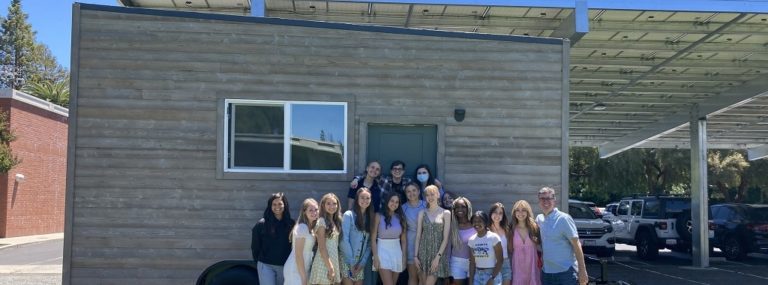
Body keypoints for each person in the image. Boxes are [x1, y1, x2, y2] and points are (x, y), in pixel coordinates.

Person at [535, 187, 588, 285]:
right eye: (542, 199)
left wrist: (582, 271)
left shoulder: (564, 219)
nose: (546, 202)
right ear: (539, 201)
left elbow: (577, 245)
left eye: (549, 198)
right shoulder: (539, 219)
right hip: (546, 274)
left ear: (554, 200)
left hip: (565, 273)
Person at [252, 193, 295, 285]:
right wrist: (260, 262)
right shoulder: (261, 225)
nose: (277, 207)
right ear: (270, 206)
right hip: (266, 265)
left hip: (285, 266)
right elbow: (255, 247)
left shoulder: (291, 224)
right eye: (274, 204)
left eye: (280, 204)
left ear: (285, 205)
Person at [415, 185, 451, 285]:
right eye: (427, 195)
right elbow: (418, 236)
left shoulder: (446, 213)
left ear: (438, 194)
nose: (430, 197)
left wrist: (437, 258)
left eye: (432, 194)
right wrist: (415, 256)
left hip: (437, 254)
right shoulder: (422, 213)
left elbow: (445, 239)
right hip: (423, 253)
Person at [372, 192, 407, 285]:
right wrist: (375, 256)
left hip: (397, 252)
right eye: (392, 201)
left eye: (397, 202)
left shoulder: (401, 217)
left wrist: (404, 257)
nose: (394, 204)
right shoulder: (378, 216)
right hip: (382, 252)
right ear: (387, 201)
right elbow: (373, 238)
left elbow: (403, 241)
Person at [341, 188, 375, 285]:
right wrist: (351, 263)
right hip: (346, 259)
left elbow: (369, 244)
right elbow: (344, 240)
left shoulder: (370, 218)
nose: (365, 200)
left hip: (359, 263)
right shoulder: (349, 215)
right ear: (357, 199)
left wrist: (362, 263)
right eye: (362, 198)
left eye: (368, 198)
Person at [284, 198, 320, 285]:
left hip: (303, 269)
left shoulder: (310, 228)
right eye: (310, 210)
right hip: (295, 269)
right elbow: (298, 254)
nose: (314, 212)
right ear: (304, 212)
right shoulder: (302, 227)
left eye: (316, 209)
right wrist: (304, 277)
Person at [310, 193, 343, 285]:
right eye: (328, 203)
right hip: (323, 262)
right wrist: (330, 268)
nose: (331, 206)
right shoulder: (321, 221)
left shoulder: (335, 222)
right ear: (323, 205)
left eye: (334, 203)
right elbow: (322, 247)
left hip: (333, 260)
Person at [510, 200, 541, 285]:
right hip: (517, 267)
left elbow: (540, 245)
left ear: (528, 212)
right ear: (514, 212)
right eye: (518, 210)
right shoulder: (511, 229)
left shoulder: (534, 227)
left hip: (532, 266)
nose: (520, 213)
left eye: (523, 210)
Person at [468, 211, 503, 285]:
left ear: (485, 222)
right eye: (474, 221)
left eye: (480, 221)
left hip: (492, 274)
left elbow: (500, 260)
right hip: (477, 276)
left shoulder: (494, 237)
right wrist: (471, 281)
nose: (477, 224)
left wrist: (492, 278)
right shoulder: (471, 240)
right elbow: (472, 263)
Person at [402, 182, 426, 285]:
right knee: (412, 276)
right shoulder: (403, 208)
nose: (411, 193)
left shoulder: (426, 204)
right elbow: (402, 230)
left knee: (424, 277)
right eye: (408, 191)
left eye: (414, 190)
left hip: (425, 243)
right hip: (410, 243)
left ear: (419, 191)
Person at [449, 197, 476, 285]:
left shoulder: (476, 223)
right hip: (456, 263)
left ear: (468, 208)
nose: (460, 209)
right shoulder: (451, 226)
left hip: (474, 262)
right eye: (457, 207)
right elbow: (447, 248)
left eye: (463, 206)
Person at [488, 203, 512, 285]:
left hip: (505, 263)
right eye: (495, 212)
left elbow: (510, 249)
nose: (497, 215)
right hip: (492, 264)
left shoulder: (506, 229)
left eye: (500, 213)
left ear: (503, 216)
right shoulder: (486, 229)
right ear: (491, 213)